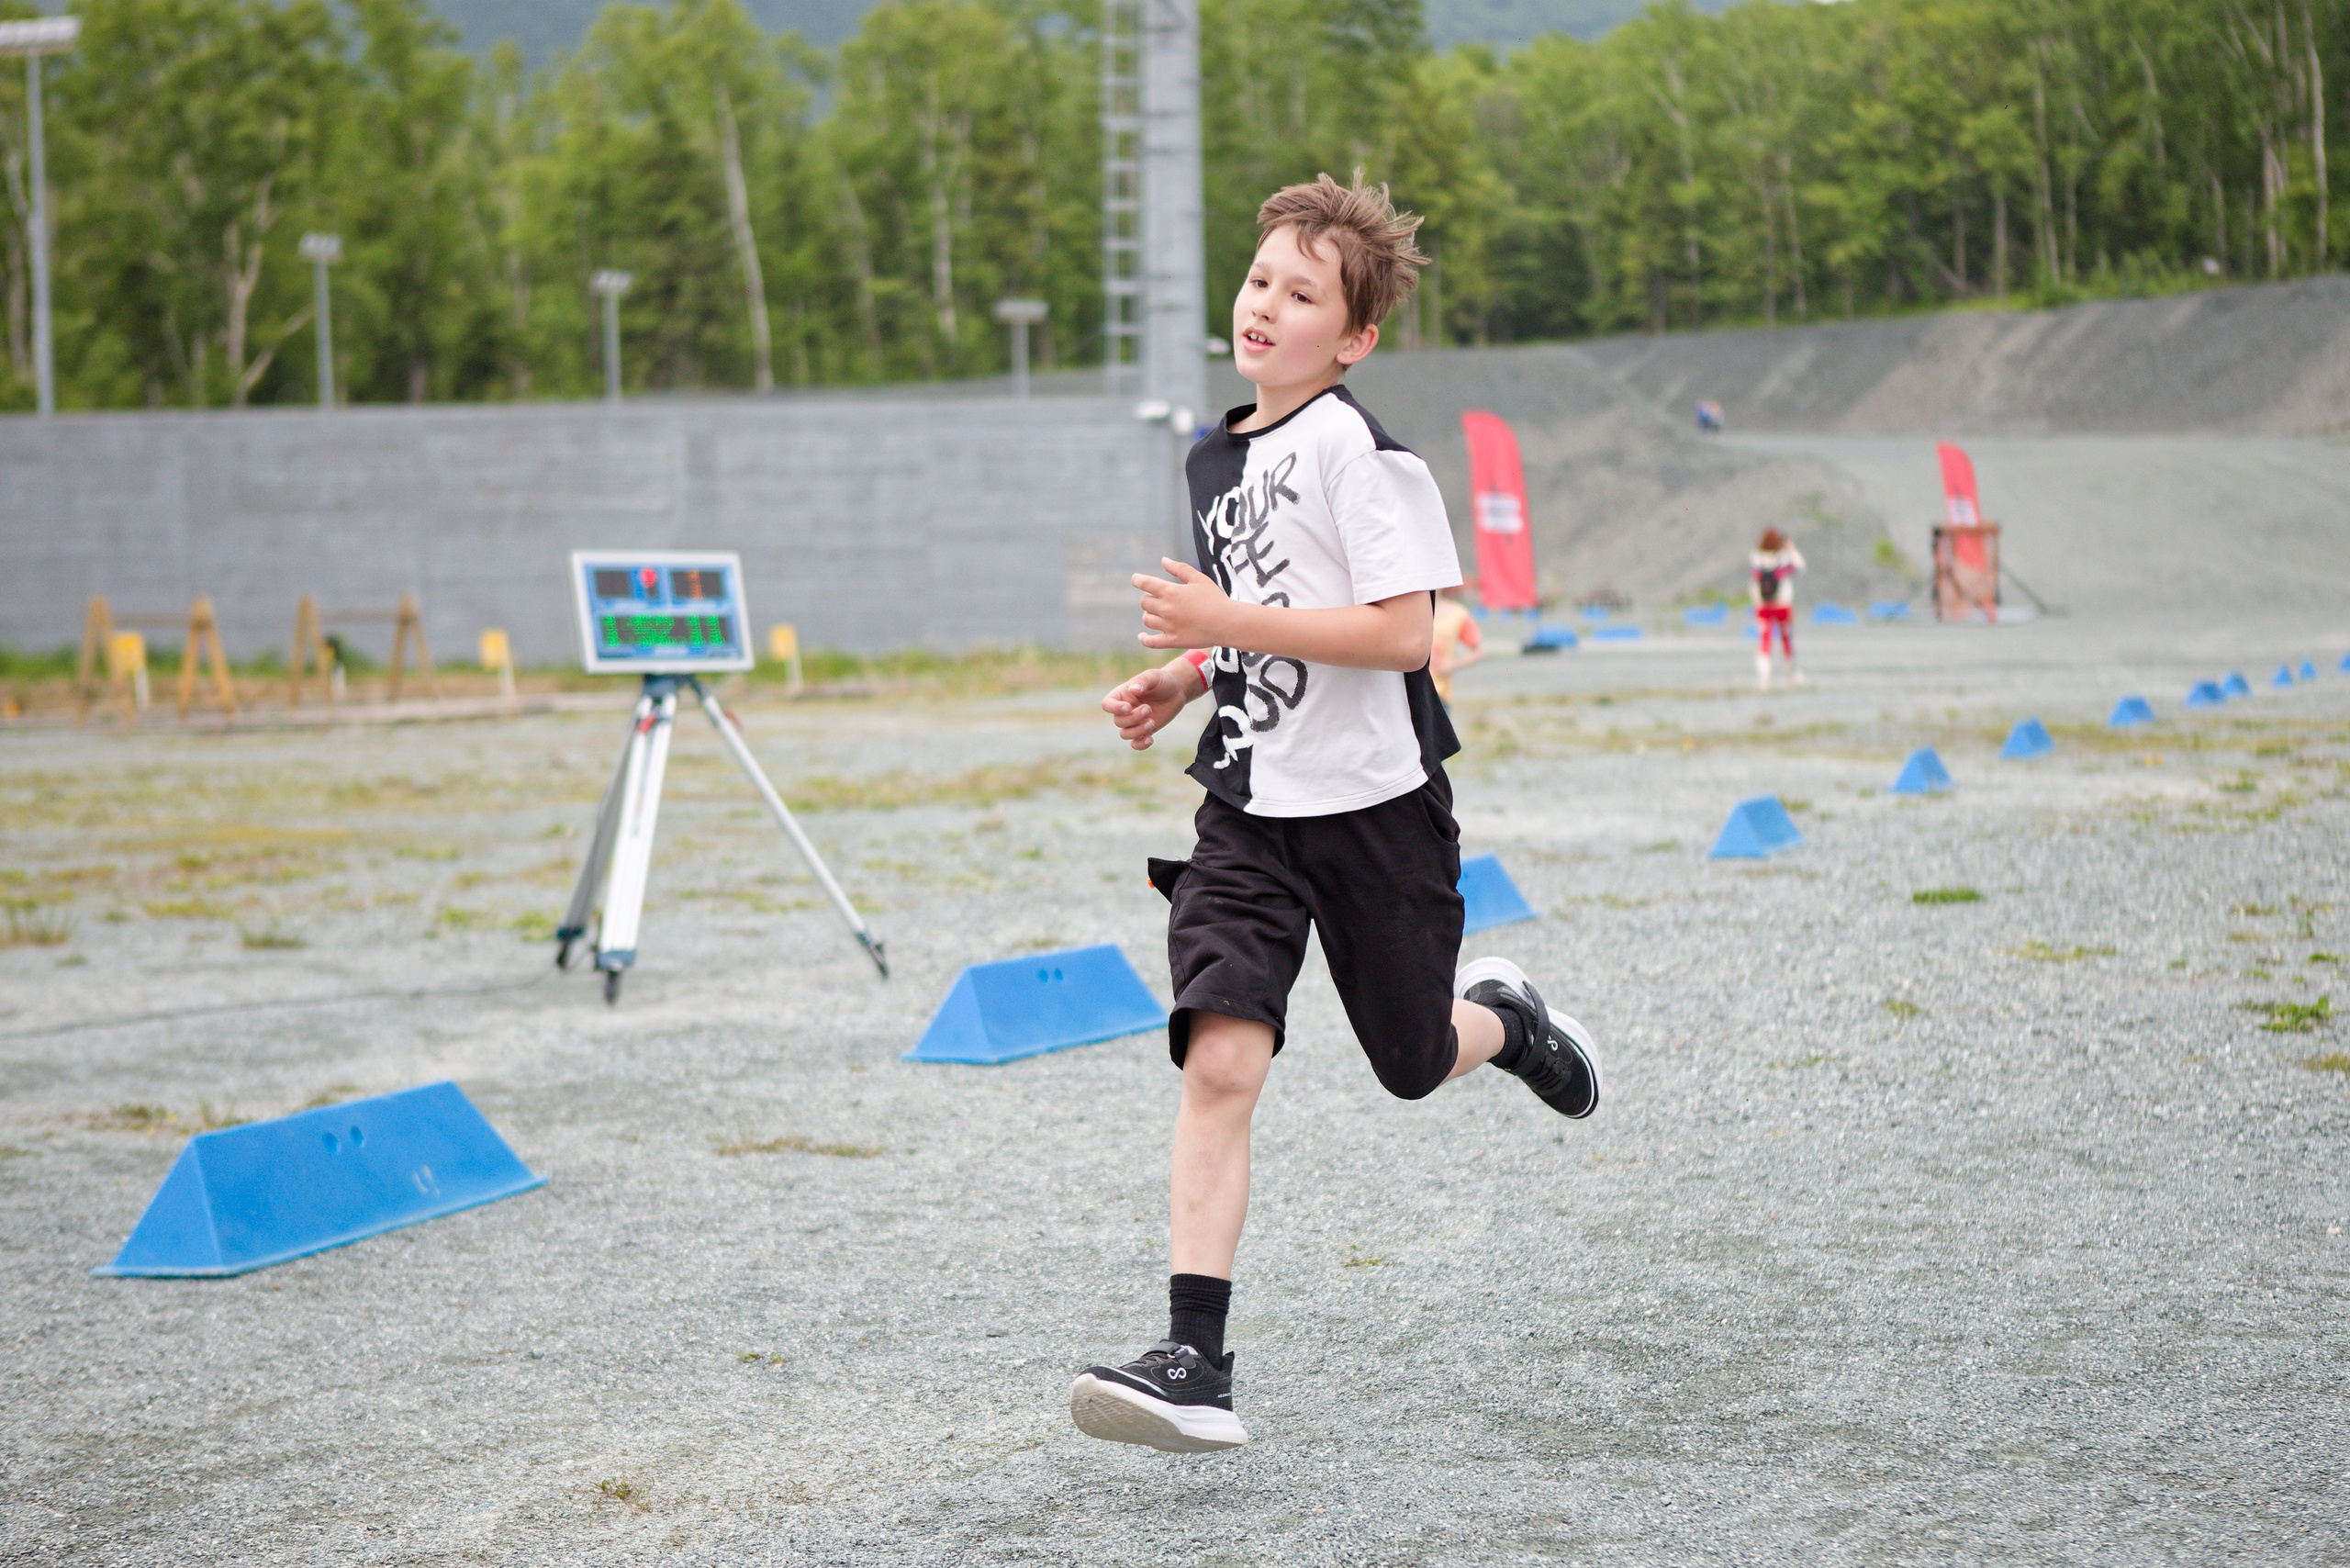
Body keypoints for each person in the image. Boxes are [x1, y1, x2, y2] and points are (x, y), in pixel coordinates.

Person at [1077, 172, 1603, 1455]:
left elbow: (1402, 632)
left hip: (1377, 812)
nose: (1265, 304)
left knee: (1413, 1061)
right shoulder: (1215, 456)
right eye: (1261, 278)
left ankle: (1509, 1020)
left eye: (1302, 294)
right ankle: (1194, 1361)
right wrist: (1189, 674)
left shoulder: (1365, 457)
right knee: (1220, 1057)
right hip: (1249, 803)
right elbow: (1272, 602)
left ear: (1354, 337)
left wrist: (1221, 620)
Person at [1751, 527, 1805, 689]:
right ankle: (1791, 675)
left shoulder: (1756, 557)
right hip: (1782, 604)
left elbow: (1755, 579)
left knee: (1764, 640)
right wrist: (1790, 547)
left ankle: (1764, 677)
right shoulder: (1783, 557)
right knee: (1786, 639)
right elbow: (1800, 567)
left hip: (1763, 606)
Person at [1429, 585, 1484, 705]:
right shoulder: (1410, 614)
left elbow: (1478, 651)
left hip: (1440, 692)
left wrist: (1452, 665)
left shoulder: (1457, 614)